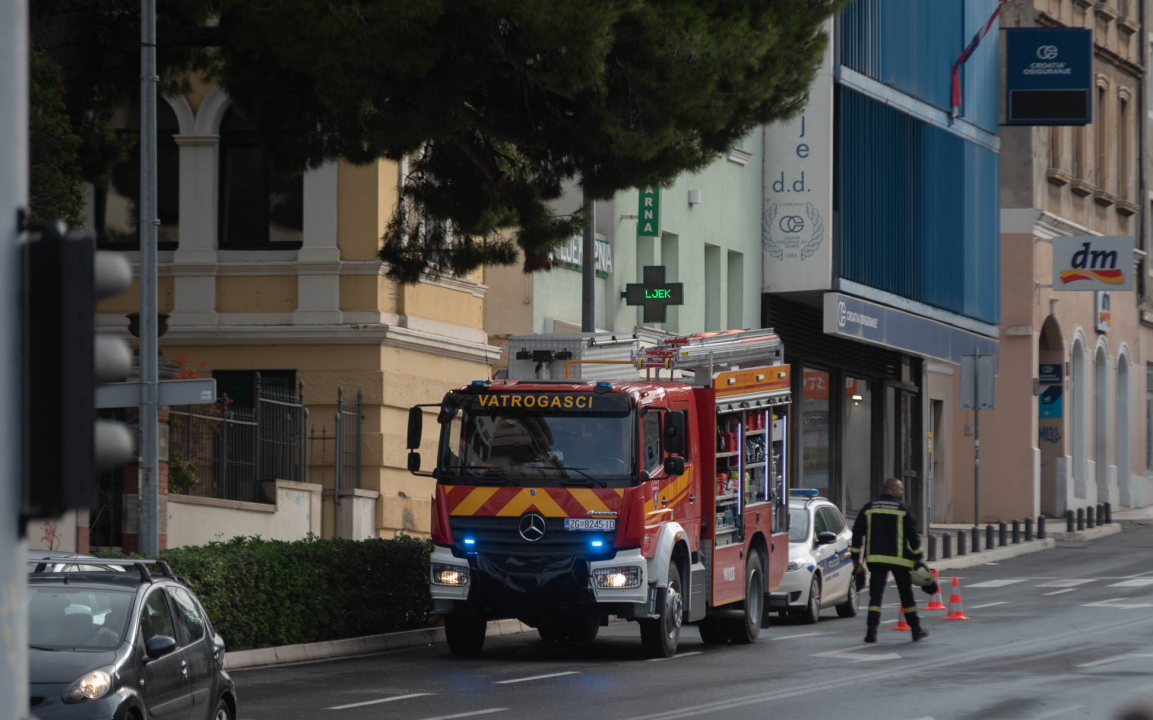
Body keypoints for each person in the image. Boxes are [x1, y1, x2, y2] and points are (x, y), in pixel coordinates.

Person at [850, 477, 929, 643]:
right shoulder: (903, 508)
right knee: (906, 595)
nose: (901, 492)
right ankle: (916, 630)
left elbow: (857, 533)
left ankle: (871, 632)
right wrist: (918, 556)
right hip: (899, 561)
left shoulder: (869, 507)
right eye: (900, 489)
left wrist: (855, 558)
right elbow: (912, 534)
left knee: (875, 597)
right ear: (894, 490)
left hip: (876, 560)